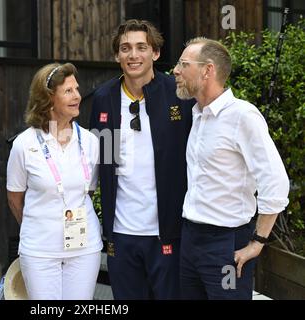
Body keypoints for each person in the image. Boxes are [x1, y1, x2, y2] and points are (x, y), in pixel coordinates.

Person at [173, 37, 290, 299]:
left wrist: (258, 242)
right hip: (191, 238)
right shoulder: (197, 114)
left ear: (207, 70)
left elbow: (276, 182)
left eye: (184, 64)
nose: (176, 71)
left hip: (225, 245)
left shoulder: (242, 116)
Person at [89, 19, 194, 299]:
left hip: (168, 232)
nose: (133, 55)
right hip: (121, 234)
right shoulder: (104, 98)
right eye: (125, 48)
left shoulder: (179, 94)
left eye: (141, 47)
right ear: (117, 55)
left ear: (155, 53)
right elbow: (104, 160)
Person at [6, 62, 103, 300]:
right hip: (40, 249)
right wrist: (40, 227)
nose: (77, 96)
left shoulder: (91, 141)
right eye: (68, 91)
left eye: (77, 89)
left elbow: (87, 192)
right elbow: (14, 199)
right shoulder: (24, 144)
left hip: (84, 247)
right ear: (48, 98)